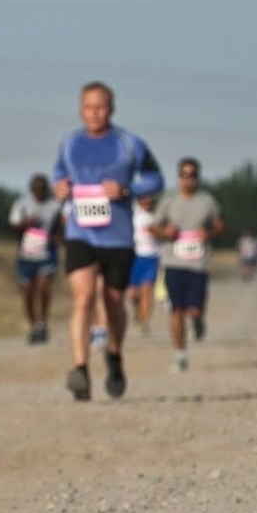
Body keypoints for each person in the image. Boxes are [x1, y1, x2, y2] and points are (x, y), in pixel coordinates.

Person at [52, 81, 164, 400]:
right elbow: (58, 174)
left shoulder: (130, 144)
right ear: (80, 109)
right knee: (83, 299)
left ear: (111, 110)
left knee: (113, 302)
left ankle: (114, 356)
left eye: (100, 107)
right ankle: (80, 369)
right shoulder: (70, 143)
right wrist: (59, 187)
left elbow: (156, 179)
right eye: (88, 107)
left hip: (117, 237)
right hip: (80, 233)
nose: (94, 113)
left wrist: (128, 190)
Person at [151, 158, 224, 372]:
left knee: (194, 309)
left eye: (192, 174)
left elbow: (220, 224)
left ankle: (198, 320)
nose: (188, 179)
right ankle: (180, 353)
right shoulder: (169, 201)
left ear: (198, 177)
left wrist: (209, 232)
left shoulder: (207, 201)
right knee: (176, 310)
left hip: (198, 265)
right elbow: (153, 227)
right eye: (184, 174)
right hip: (173, 262)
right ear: (178, 176)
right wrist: (165, 232)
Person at [8, 173, 63, 343]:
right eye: (37, 190)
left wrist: (59, 237)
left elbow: (63, 224)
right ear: (32, 190)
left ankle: (43, 323)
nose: (40, 192)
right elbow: (13, 224)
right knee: (27, 292)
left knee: (43, 287)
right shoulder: (22, 204)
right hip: (26, 255)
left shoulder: (55, 205)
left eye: (43, 189)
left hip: (46, 254)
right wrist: (26, 223)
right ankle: (33, 325)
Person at [127, 195, 161, 334]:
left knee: (147, 291)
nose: (147, 201)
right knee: (133, 294)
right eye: (143, 198)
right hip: (134, 257)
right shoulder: (132, 212)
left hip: (151, 257)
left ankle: (145, 322)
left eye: (149, 198)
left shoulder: (158, 215)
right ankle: (137, 308)